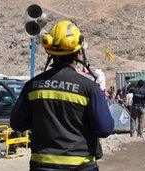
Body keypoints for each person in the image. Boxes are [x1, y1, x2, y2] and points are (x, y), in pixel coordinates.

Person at [10, 20, 114, 171]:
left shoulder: (32, 86)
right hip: (81, 166)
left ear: (49, 51)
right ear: (79, 52)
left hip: (42, 166)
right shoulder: (89, 88)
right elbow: (105, 129)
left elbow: (18, 124)